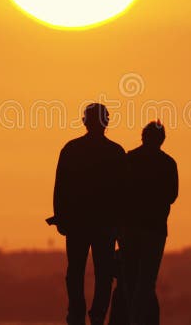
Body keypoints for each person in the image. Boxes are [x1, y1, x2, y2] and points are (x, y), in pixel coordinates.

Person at [52, 103, 127, 325]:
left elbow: (60, 187)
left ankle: (77, 312)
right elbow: (124, 192)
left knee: (76, 271)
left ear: (85, 121)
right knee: (102, 273)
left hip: (78, 223)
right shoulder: (116, 152)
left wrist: (61, 217)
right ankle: (96, 315)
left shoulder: (72, 149)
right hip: (104, 224)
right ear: (107, 122)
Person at [120, 121, 178, 325]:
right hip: (155, 228)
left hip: (130, 228)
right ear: (162, 140)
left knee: (131, 279)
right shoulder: (168, 163)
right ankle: (139, 319)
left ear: (143, 136)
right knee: (146, 281)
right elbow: (172, 196)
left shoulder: (129, 159)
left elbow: (119, 193)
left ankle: (133, 318)